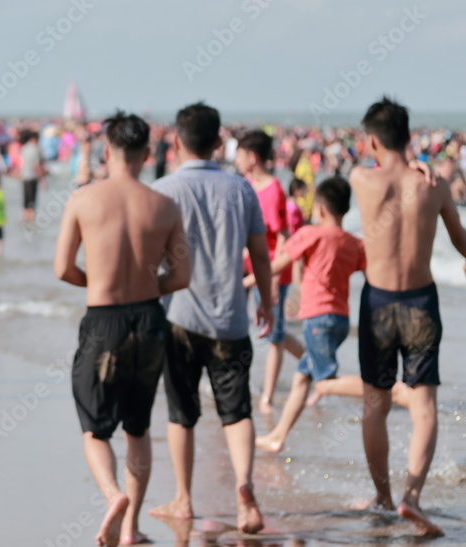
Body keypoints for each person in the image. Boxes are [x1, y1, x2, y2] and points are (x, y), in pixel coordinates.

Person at [55, 111, 190, 546]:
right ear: (148, 155)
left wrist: (98, 284)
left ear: (106, 151)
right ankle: (131, 531)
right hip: (150, 320)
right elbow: (183, 275)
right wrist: (148, 285)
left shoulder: (82, 200)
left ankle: (114, 497)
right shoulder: (165, 206)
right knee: (138, 428)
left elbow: (62, 269)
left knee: (95, 428)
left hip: (103, 321)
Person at [149, 102, 273, 535]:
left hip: (179, 317)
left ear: (177, 141)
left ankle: (183, 500)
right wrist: (267, 302)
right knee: (236, 412)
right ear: (219, 141)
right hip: (231, 321)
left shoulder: (163, 190)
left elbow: (151, 257)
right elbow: (260, 253)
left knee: (181, 412)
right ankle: (244, 489)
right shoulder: (241, 190)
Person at [349, 98, 466, 537]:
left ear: (373, 140)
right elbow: (459, 241)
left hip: (378, 302)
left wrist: (412, 160)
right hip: (421, 302)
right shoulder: (433, 185)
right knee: (425, 408)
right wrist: (422, 163)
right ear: (410, 137)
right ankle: (412, 498)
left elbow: (374, 166)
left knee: (375, 405)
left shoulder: (362, 179)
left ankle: (382, 496)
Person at [254, 177, 375, 453]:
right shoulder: (355, 243)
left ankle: (386, 392)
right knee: (301, 378)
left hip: (318, 320)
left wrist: (246, 283)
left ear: (319, 209)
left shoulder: (311, 234)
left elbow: (276, 266)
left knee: (325, 382)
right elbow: (372, 277)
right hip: (340, 320)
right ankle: (277, 438)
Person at [234, 129, 303, 414]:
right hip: (248, 269)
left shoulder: (273, 188)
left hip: (271, 270)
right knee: (261, 329)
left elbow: (284, 237)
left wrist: (273, 281)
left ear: (252, 157)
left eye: (238, 154)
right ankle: (312, 364)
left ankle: (268, 397)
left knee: (273, 334)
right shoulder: (246, 185)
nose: (234, 160)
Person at [19, 131, 46, 223]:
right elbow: (37, 165)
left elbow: (20, 163)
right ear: (35, 138)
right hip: (32, 177)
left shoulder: (24, 148)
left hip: (24, 176)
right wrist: (42, 179)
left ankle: (24, 219)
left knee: (25, 200)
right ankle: (31, 221)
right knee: (32, 201)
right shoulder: (35, 149)